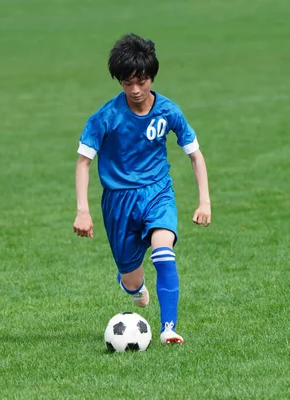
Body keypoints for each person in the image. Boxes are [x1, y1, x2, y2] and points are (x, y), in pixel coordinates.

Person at [72, 33, 211, 344]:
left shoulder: (169, 111)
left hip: (157, 193)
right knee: (133, 279)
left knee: (164, 253)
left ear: (152, 76)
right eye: (127, 83)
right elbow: (83, 163)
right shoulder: (105, 117)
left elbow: (195, 155)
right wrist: (83, 210)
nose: (135, 90)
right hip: (118, 202)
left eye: (142, 81)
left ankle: (168, 329)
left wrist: (205, 202)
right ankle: (133, 287)